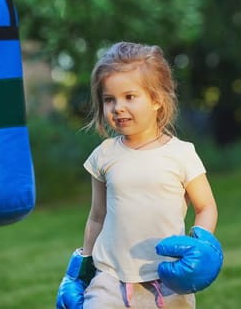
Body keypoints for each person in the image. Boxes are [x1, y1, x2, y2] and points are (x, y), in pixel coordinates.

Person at [56, 42, 223, 309]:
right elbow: (97, 216)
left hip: (167, 279)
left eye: (129, 97)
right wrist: (81, 269)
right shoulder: (105, 154)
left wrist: (200, 245)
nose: (117, 107)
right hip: (109, 276)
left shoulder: (181, 154)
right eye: (109, 99)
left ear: (157, 99)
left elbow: (206, 206)